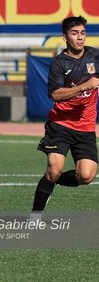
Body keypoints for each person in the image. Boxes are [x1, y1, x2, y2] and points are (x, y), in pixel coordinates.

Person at [30, 15, 99, 217]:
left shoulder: (95, 57)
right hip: (60, 125)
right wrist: (85, 86)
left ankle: (53, 182)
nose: (80, 37)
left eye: (83, 33)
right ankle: (35, 217)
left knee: (86, 176)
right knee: (54, 167)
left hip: (85, 128)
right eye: (74, 33)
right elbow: (56, 95)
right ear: (65, 37)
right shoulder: (59, 63)